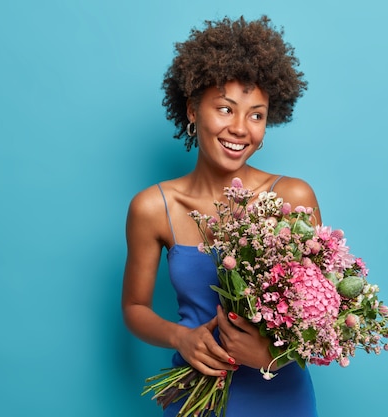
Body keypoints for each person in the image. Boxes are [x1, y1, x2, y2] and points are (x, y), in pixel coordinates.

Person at [122, 16, 321, 417]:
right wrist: (182, 338)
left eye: (256, 114)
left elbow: (320, 307)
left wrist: (272, 354)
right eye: (225, 109)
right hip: (196, 398)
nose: (240, 129)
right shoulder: (153, 207)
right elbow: (134, 309)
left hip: (280, 395)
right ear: (192, 110)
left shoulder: (291, 197)